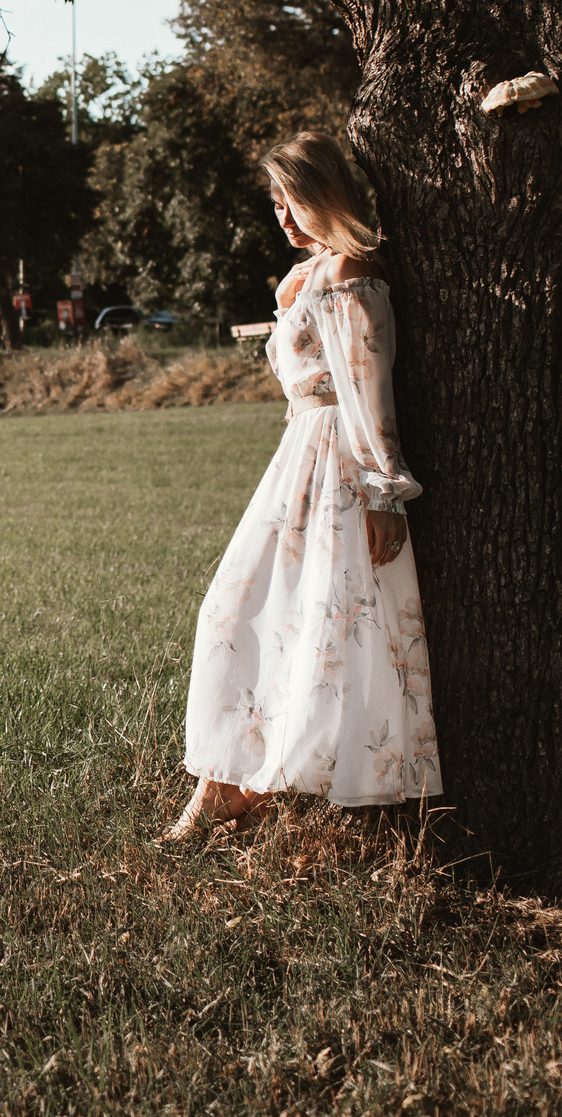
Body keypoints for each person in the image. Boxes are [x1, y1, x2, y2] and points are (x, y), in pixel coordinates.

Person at [161, 131, 441, 838]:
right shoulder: (310, 272)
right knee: (239, 610)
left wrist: (382, 490)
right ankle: (228, 783)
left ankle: (245, 789)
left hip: (340, 461)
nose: (282, 215)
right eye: (276, 201)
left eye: (294, 198)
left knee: (320, 623)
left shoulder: (353, 273)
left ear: (326, 194)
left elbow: (368, 388)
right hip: (298, 459)